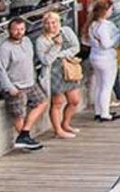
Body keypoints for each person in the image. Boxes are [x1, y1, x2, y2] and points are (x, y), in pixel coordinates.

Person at [0, 17, 47, 151]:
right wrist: (9, 87)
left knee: (43, 102)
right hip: (15, 86)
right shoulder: (4, 48)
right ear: (9, 30)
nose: (19, 32)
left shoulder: (27, 41)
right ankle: (25, 141)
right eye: (15, 29)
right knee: (19, 114)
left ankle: (24, 134)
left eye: (21, 29)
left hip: (30, 82)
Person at [34, 10, 83, 139]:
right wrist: (56, 46)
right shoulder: (41, 41)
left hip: (69, 68)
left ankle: (65, 123)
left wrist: (60, 55)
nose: (51, 26)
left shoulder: (66, 31)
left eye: (54, 22)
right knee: (57, 103)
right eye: (48, 23)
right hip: (53, 73)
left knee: (74, 100)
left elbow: (76, 47)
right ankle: (58, 130)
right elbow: (46, 60)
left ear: (58, 22)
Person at [86, 0, 120, 122]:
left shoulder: (91, 24)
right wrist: (117, 36)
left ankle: (98, 111)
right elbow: (106, 44)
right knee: (106, 86)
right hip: (106, 58)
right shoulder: (104, 26)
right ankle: (105, 113)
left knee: (99, 85)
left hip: (95, 56)